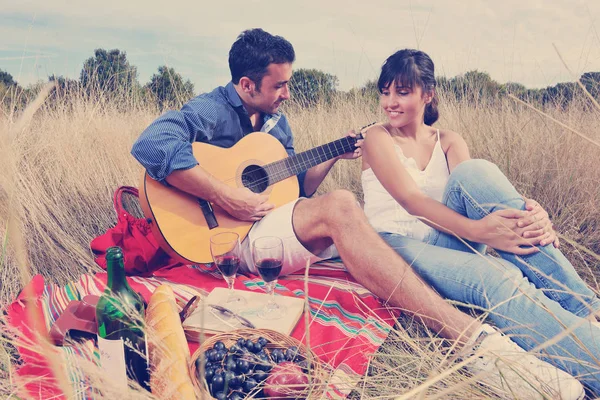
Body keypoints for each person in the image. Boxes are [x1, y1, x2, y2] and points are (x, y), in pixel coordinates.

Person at [131, 29, 584, 398]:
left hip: (265, 223)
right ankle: (478, 346)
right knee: (345, 207)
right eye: (279, 85)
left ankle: (584, 313)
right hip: (220, 234)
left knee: (341, 205)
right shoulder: (209, 111)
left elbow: (294, 189)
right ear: (246, 86)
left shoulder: (276, 124)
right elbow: (151, 145)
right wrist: (224, 196)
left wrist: (325, 157)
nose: (288, 93)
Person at [361, 48, 600, 396]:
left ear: (428, 94)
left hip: (446, 239)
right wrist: (478, 232)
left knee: (477, 171)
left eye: (402, 91)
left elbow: (477, 195)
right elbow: (411, 201)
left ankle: (586, 309)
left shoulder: (449, 140)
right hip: (395, 243)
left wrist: (530, 213)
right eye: (385, 91)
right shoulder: (376, 137)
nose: (390, 102)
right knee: (497, 276)